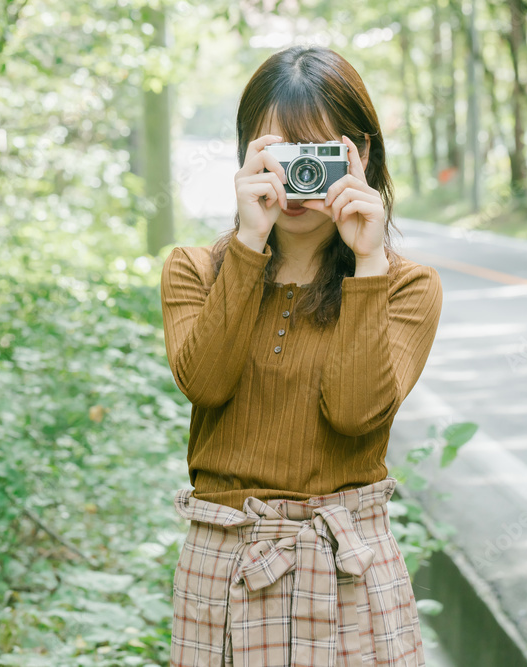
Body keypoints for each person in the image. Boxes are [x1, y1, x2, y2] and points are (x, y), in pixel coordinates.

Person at [159, 45, 443, 666]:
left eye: (316, 153)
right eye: (280, 154)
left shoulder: (405, 286)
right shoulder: (195, 272)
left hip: (348, 569)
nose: (298, 180)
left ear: (360, 156)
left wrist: (367, 265)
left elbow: (352, 413)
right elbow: (205, 385)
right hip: (225, 568)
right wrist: (248, 242)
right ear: (246, 156)